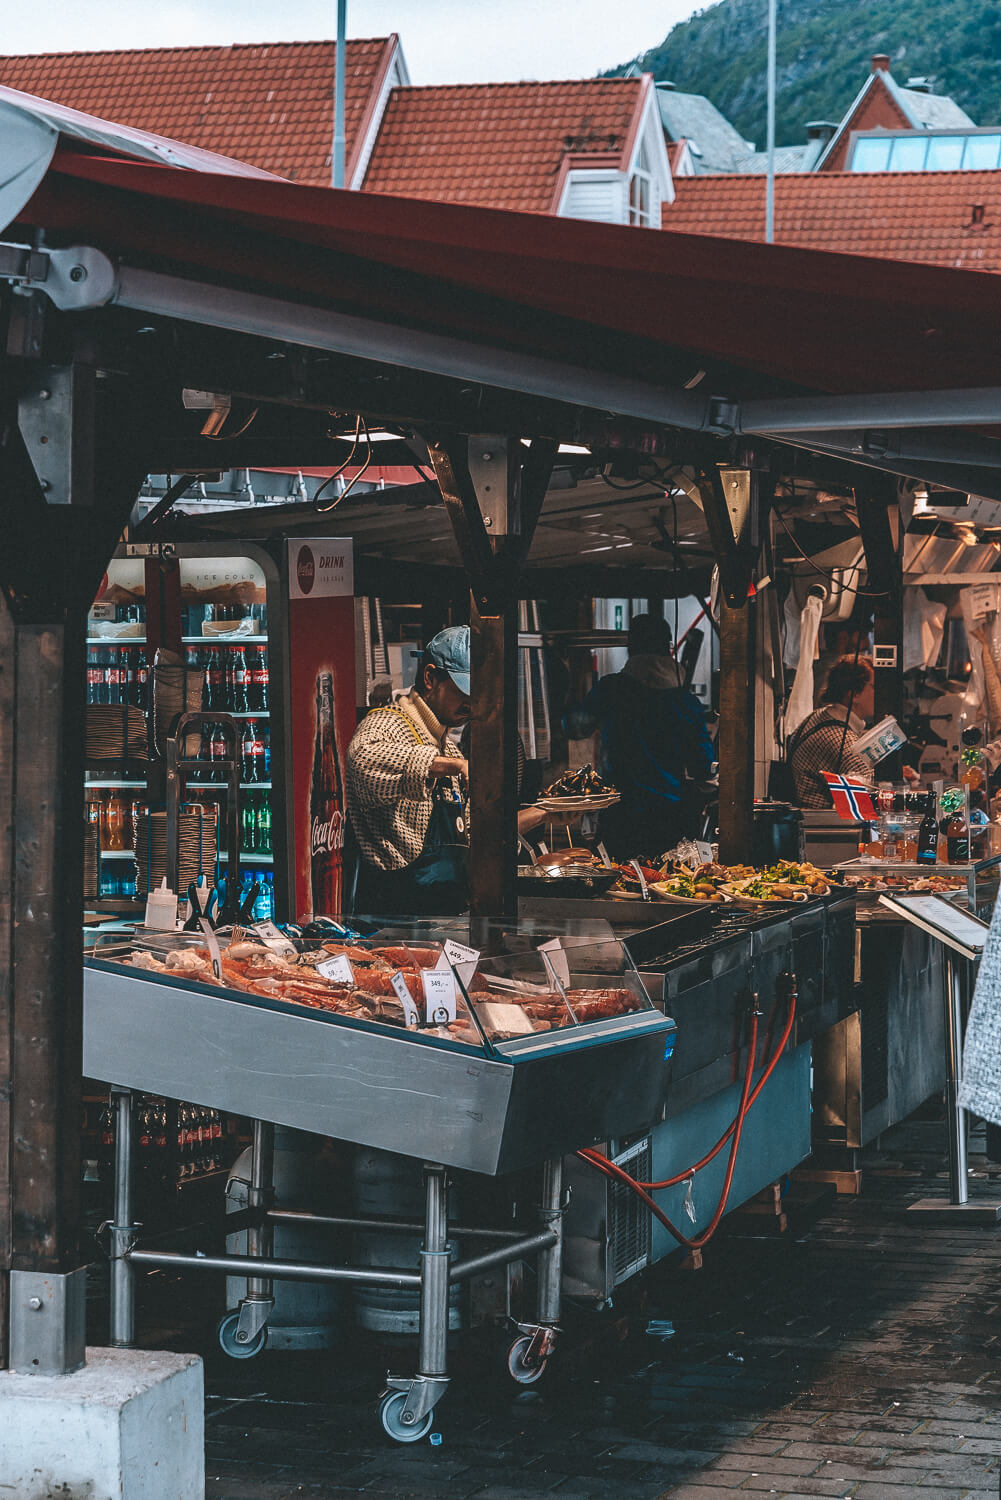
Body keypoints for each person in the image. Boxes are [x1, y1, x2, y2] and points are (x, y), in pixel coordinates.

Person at [345, 625, 546, 915]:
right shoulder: (386, 723)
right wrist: (453, 765)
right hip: (392, 923)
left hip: (444, 921)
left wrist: (544, 813)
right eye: (464, 690)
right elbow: (364, 761)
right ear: (430, 677)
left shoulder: (448, 748)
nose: (472, 703)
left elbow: (476, 836)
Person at [563, 613, 715, 859]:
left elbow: (573, 727)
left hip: (620, 818)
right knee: (669, 884)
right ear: (667, 649)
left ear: (630, 649)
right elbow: (703, 767)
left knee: (616, 887)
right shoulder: (686, 702)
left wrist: (573, 678)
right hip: (670, 820)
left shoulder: (611, 690)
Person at [789, 655, 877, 810]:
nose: (880, 693)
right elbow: (873, 789)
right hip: (820, 827)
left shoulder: (820, 715)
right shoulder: (841, 738)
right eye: (874, 687)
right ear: (854, 694)